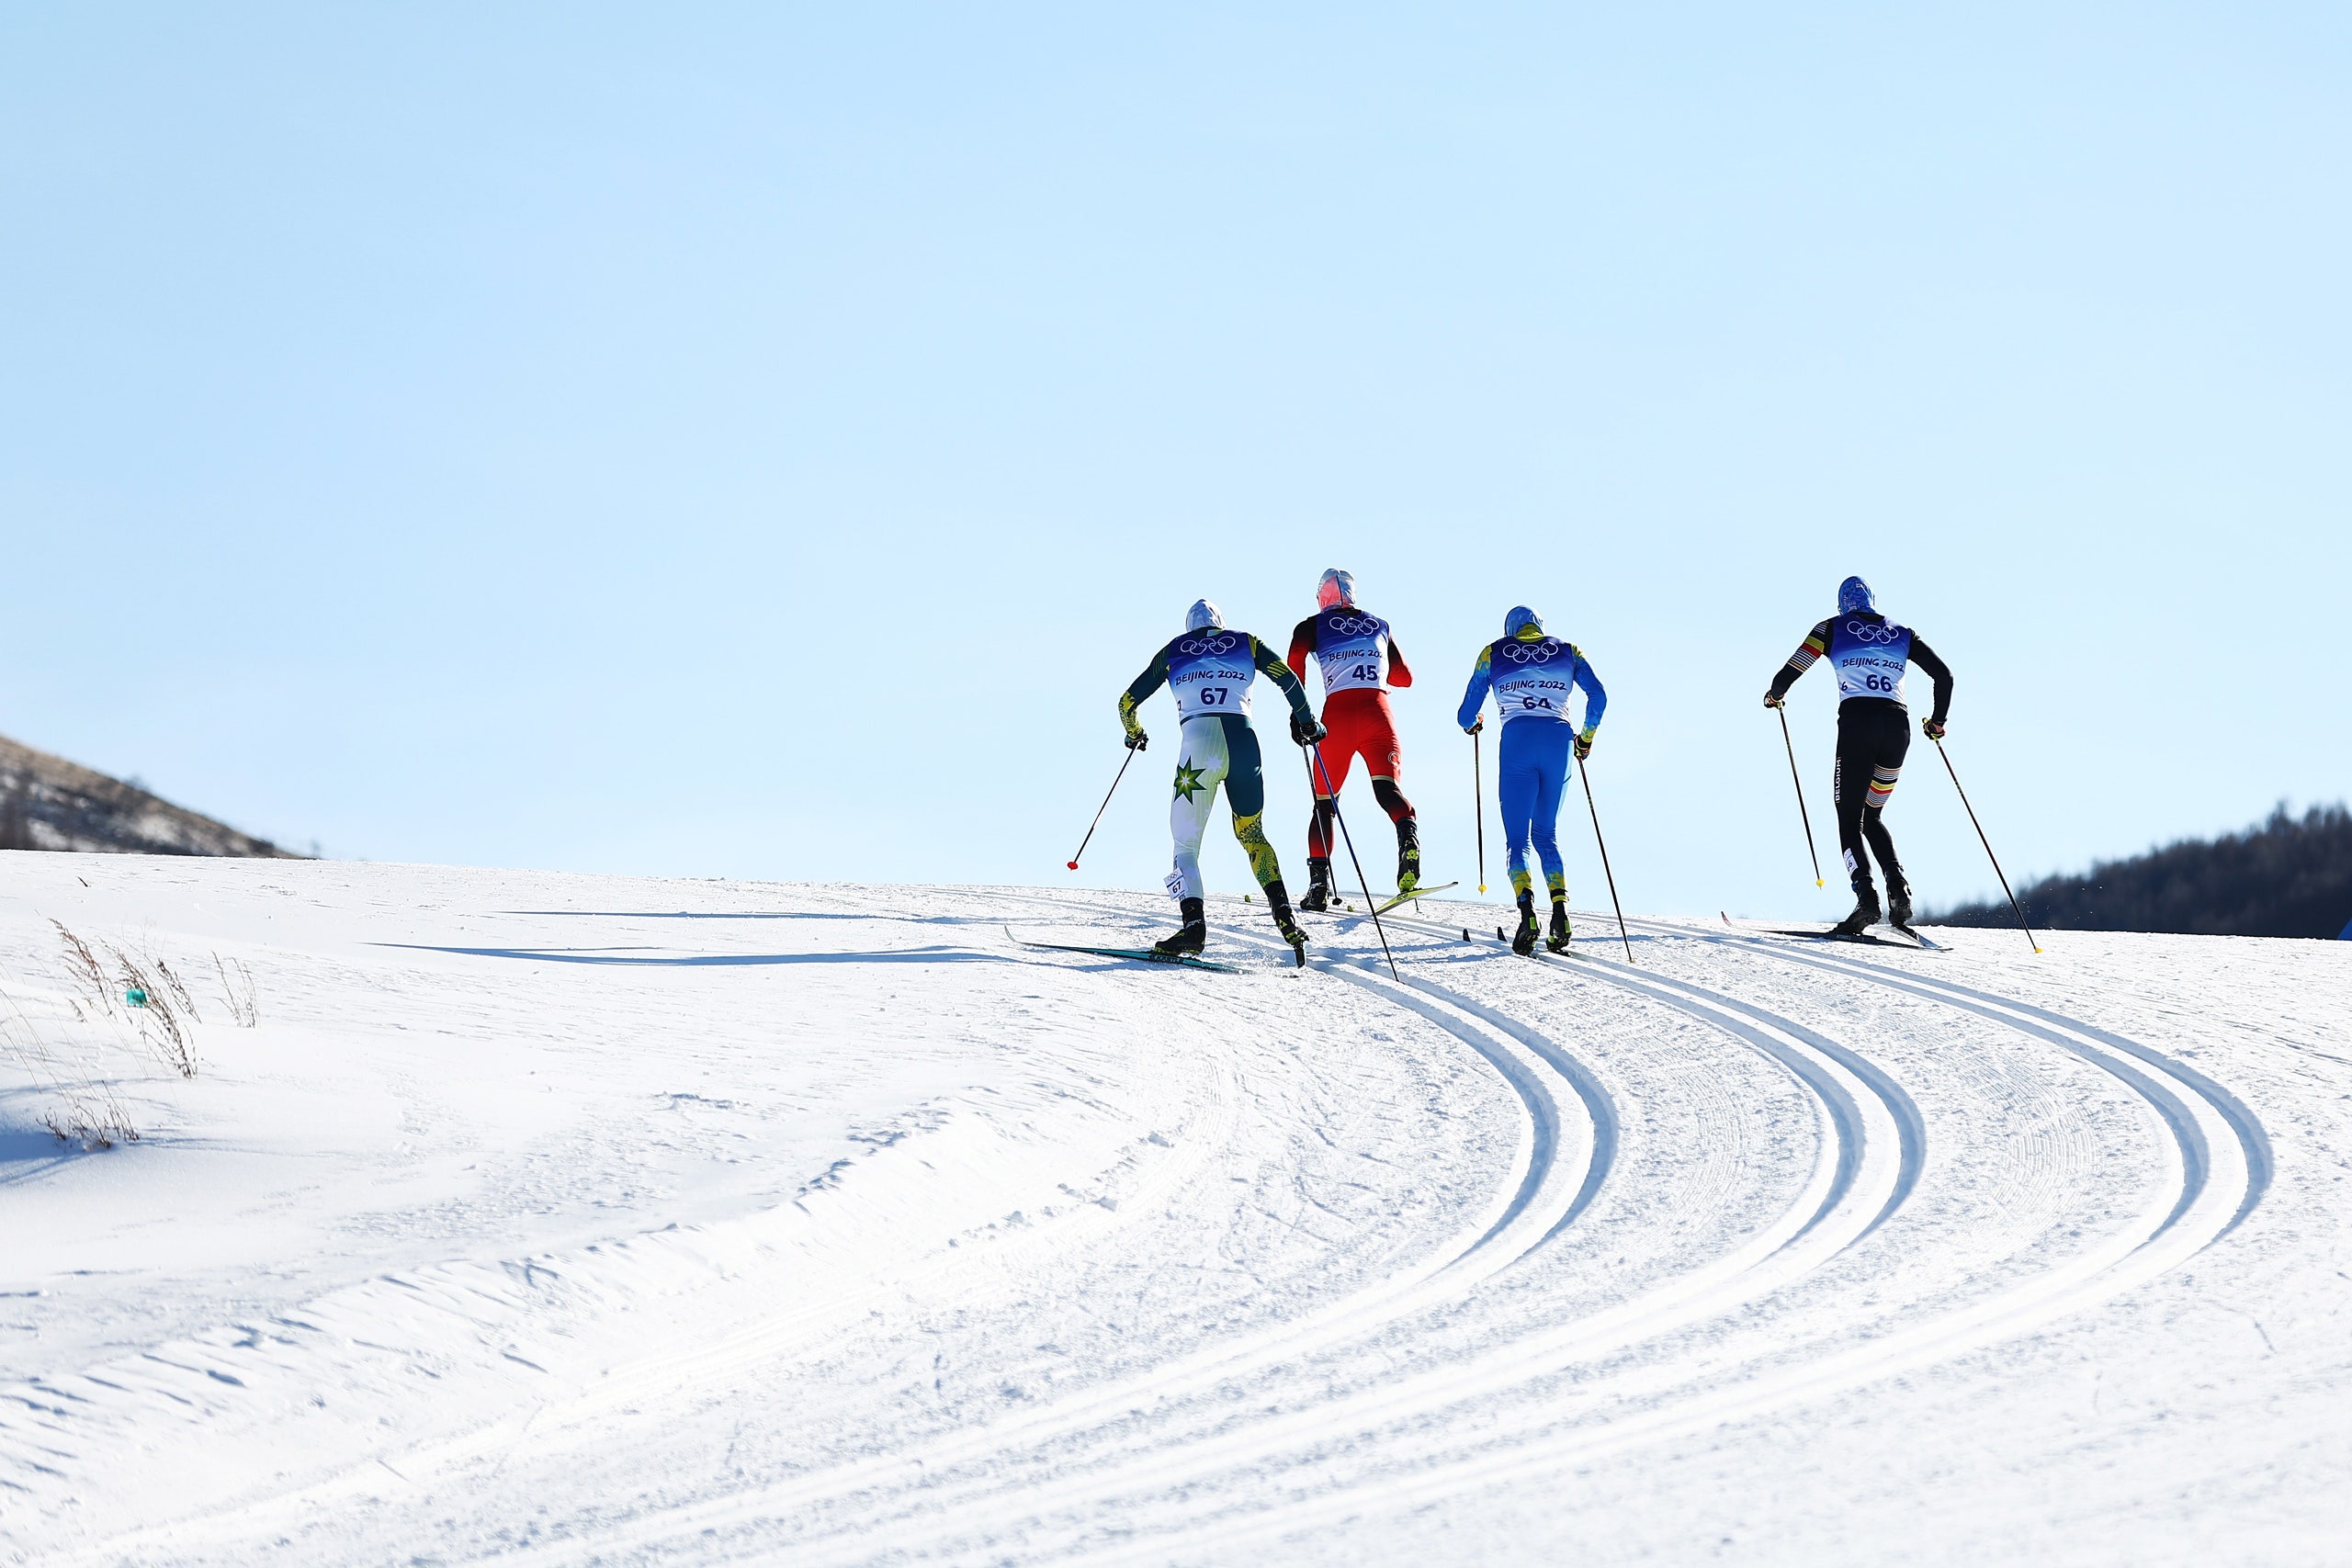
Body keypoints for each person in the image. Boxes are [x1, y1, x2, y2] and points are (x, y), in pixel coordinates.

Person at [1120, 599, 1326, 962]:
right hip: (1244, 744)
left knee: (1185, 846)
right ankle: (1285, 916)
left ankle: (1193, 928)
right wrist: (1307, 722)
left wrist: (1135, 733)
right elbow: (1289, 680)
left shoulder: (1172, 650)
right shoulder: (1246, 642)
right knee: (1253, 835)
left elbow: (1126, 703)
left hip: (1197, 749)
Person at [1764, 575, 1953, 934]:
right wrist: (1938, 722)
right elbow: (1944, 676)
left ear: (1842, 605)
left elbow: (1791, 670)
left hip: (1857, 727)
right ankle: (1899, 892)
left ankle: (1866, 899)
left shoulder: (1830, 629)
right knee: (1873, 815)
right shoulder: (1903, 633)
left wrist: (1775, 695)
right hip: (1898, 730)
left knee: (1849, 817)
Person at [1457, 606, 1606, 954]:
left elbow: (1465, 714)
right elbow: (1599, 696)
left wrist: (1473, 723)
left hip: (1517, 742)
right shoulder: (1570, 651)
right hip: (1558, 741)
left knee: (1517, 841)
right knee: (1547, 834)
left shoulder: (1493, 652)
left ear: (1511, 630)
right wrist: (1585, 738)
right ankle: (1561, 913)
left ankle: (1528, 917)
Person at [1285, 569, 1419, 911]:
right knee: (1388, 791)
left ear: (1322, 597)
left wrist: (1298, 714)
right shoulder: (1380, 624)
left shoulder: (1309, 626)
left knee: (1324, 805)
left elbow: (1293, 666)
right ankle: (1407, 835)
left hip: (1338, 716)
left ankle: (1318, 888)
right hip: (1378, 710)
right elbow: (1404, 678)